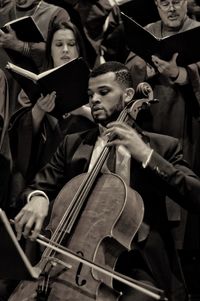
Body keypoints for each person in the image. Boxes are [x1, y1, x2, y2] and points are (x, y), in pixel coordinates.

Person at [8, 61, 200, 301]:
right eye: (90, 95)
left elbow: (195, 195)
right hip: (74, 259)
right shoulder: (73, 145)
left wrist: (146, 155)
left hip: (137, 262)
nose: (94, 100)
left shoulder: (162, 146)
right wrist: (37, 198)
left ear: (128, 95)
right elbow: (37, 186)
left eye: (104, 92)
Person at [125, 0, 200, 289]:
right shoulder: (147, 32)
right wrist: (146, 70)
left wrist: (179, 74)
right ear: (156, 5)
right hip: (152, 129)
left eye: (177, 1)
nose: (171, 8)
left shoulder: (197, 31)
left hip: (190, 132)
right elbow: (129, 71)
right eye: (164, 2)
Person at [8, 21, 95, 217]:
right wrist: (38, 111)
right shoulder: (38, 84)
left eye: (71, 44)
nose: (65, 50)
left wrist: (83, 111)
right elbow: (21, 140)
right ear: (50, 51)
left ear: (79, 49)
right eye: (58, 44)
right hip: (43, 177)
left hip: (81, 174)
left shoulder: (96, 83)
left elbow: (115, 123)